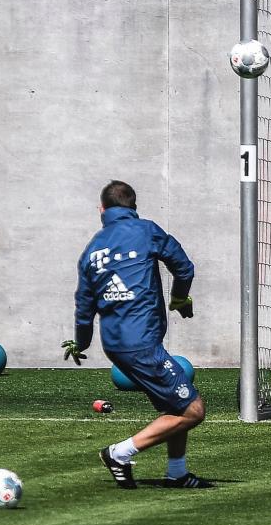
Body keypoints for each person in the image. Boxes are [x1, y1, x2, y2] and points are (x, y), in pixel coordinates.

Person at [61, 180, 213, 489]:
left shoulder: (92, 248)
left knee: (175, 406)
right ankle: (119, 453)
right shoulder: (145, 230)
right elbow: (183, 268)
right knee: (193, 410)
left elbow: (83, 304)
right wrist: (180, 298)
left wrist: (81, 342)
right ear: (133, 207)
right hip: (141, 343)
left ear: (101, 210)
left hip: (115, 344)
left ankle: (177, 473)